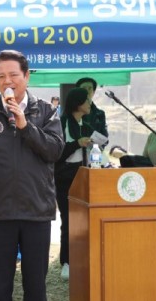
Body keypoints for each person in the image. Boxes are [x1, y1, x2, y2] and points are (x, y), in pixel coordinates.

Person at [0, 49, 64, 301]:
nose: (7, 81)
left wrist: (25, 126)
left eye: (13, 75)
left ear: (26, 76)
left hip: (36, 209)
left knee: (36, 286)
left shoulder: (46, 111)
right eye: (1, 76)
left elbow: (55, 150)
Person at [54, 87, 94, 280]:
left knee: (84, 220)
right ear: (78, 103)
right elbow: (57, 154)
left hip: (83, 173)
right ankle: (66, 261)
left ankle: (81, 259)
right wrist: (77, 143)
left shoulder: (84, 123)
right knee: (68, 220)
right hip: (65, 177)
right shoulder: (61, 123)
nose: (89, 104)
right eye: (87, 100)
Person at [75, 77, 108, 142]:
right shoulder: (72, 112)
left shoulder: (100, 114)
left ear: (94, 92)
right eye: (84, 88)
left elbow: (104, 138)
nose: (87, 91)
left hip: (94, 150)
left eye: (90, 88)